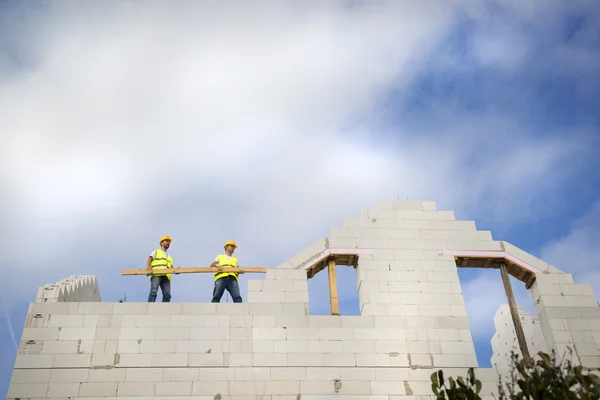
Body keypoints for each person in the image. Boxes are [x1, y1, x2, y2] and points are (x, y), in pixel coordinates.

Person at [146, 235, 175, 302]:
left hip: (166, 276)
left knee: (167, 295)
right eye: (166, 241)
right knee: (153, 291)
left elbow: (171, 267)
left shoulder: (169, 257)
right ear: (161, 243)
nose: (168, 243)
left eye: (169, 242)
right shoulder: (156, 251)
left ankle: (165, 309)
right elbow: (150, 259)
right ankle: (150, 306)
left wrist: (176, 270)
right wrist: (148, 268)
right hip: (156, 274)